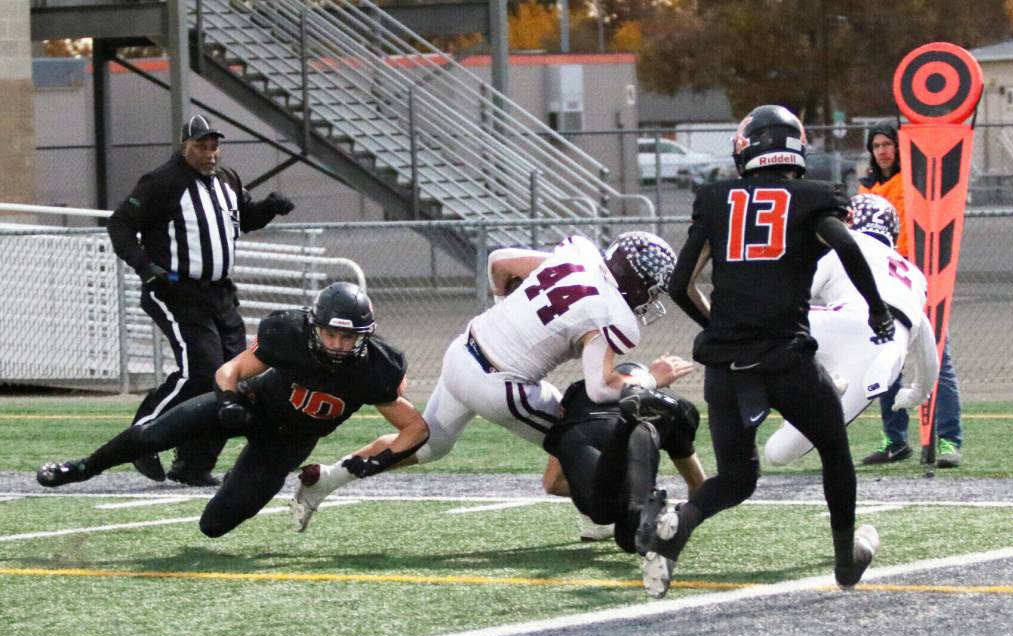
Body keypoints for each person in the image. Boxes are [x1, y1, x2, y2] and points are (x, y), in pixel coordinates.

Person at [635, 105, 893, 599]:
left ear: (745, 148)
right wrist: (876, 308)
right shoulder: (814, 197)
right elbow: (847, 245)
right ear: (795, 147)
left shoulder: (715, 198)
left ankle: (679, 528)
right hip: (786, 357)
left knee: (736, 478)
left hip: (725, 364)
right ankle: (845, 560)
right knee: (835, 450)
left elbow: (680, 283)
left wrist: (723, 326)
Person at [288, 231, 693, 536]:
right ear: (637, 283)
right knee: (578, 432)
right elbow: (601, 388)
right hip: (502, 386)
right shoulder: (612, 313)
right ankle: (594, 513)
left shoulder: (579, 254)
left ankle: (326, 479)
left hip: (464, 349)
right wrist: (650, 379)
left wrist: (505, 310)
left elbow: (500, 262)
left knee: (428, 444)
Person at [36, 283, 427, 538]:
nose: (340, 344)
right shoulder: (287, 333)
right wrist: (227, 401)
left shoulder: (378, 368)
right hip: (253, 405)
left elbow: (415, 428)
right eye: (332, 334)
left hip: (287, 444)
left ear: (365, 335)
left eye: (349, 336)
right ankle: (82, 467)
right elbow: (232, 370)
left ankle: (235, 480)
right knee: (155, 434)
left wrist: (380, 462)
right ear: (314, 327)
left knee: (214, 526)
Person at [106, 113, 295, 486]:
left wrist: (270, 208)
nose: (210, 154)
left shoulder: (227, 180)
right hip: (177, 291)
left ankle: (193, 463)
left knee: (235, 380)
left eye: (214, 146)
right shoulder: (162, 182)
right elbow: (120, 224)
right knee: (201, 372)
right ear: (185, 147)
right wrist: (146, 268)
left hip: (220, 294)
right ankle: (142, 437)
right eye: (201, 147)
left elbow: (245, 219)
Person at [764, 194, 939, 466]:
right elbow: (929, 354)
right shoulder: (915, 276)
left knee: (760, 327)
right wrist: (916, 394)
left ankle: (809, 385)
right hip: (884, 355)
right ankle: (821, 385)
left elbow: (795, 297)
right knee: (777, 454)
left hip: (846, 322)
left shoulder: (842, 247)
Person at [859, 121, 964, 468]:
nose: (883, 151)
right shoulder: (866, 189)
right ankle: (895, 440)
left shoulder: (914, 182)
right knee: (888, 361)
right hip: (885, 286)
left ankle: (948, 441)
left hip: (919, 280)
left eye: (888, 143)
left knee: (937, 361)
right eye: (876, 146)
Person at [543, 361, 705, 554]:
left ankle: (625, 424)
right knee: (632, 532)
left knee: (602, 513)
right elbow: (698, 483)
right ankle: (626, 423)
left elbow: (552, 483)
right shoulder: (670, 401)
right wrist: (685, 519)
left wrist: (611, 487)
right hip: (639, 434)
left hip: (579, 435)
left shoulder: (579, 391)